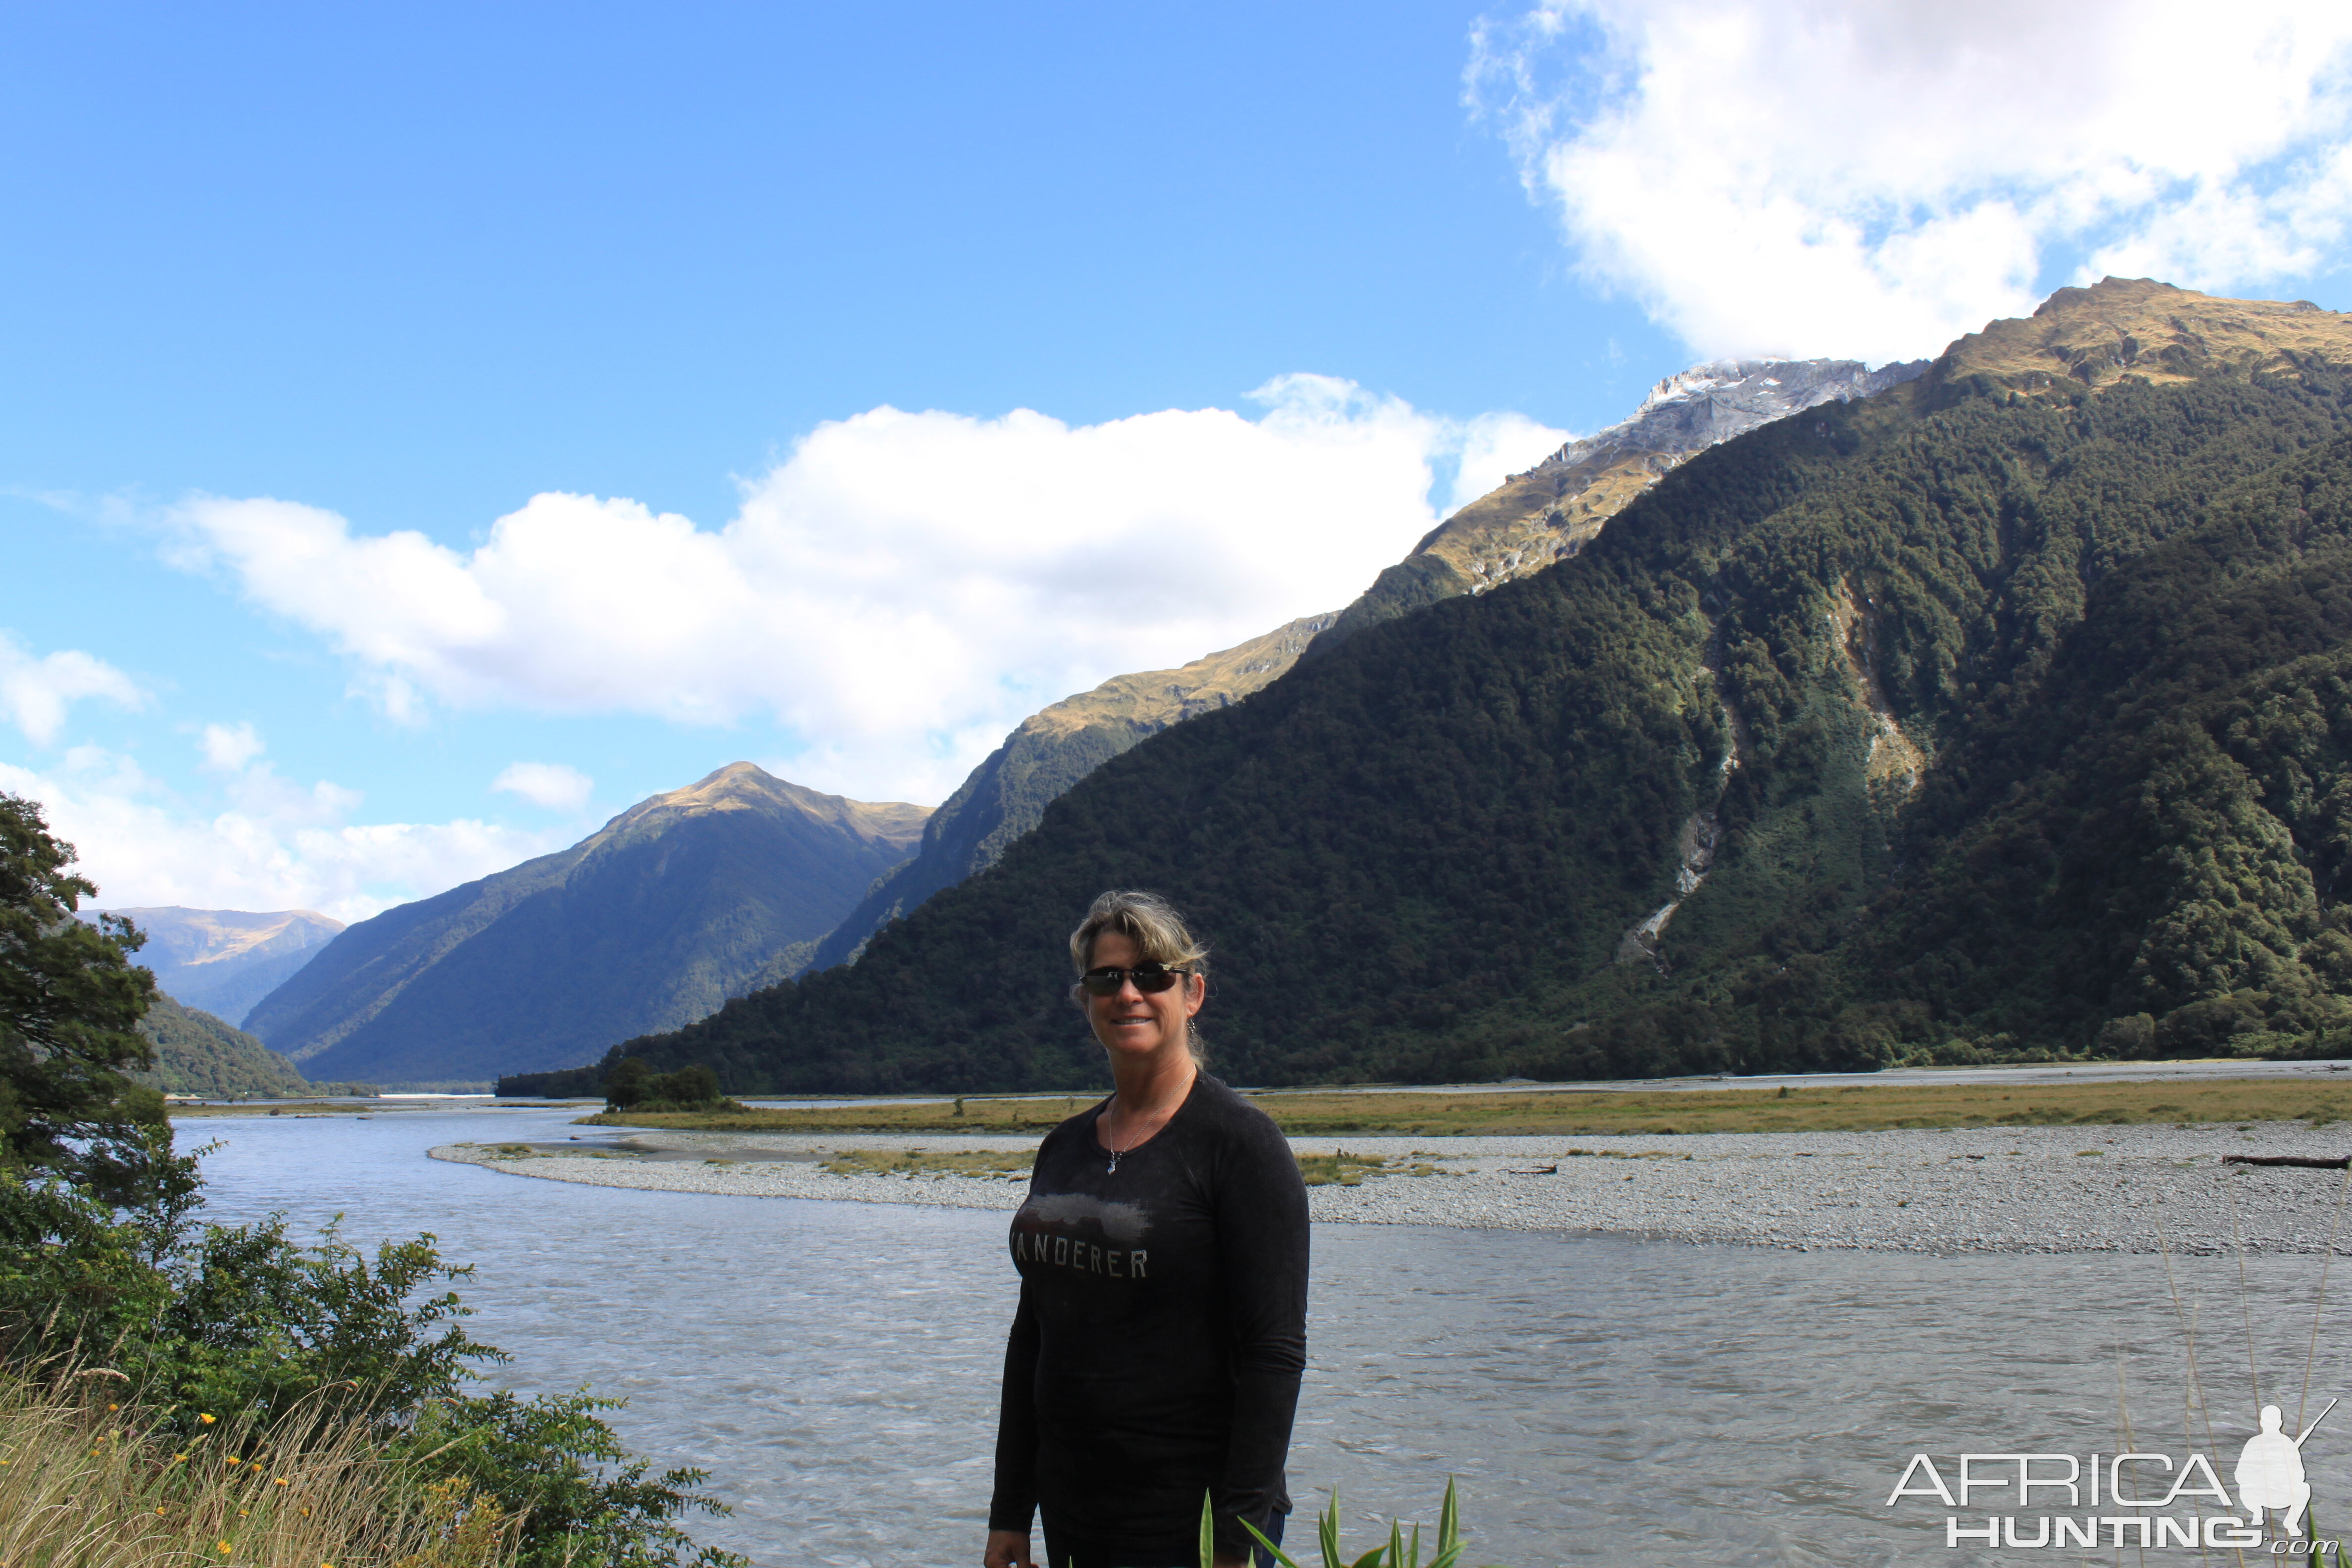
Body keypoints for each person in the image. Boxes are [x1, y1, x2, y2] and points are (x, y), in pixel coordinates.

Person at [985, 890, 1309, 1568]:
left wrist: (1237, 1543)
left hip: (1190, 1521)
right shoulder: (1064, 1148)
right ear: (1085, 1000)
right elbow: (1032, 1337)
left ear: (1192, 993)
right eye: (1107, 978)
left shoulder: (1241, 1146)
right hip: (1075, 1512)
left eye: (1152, 976)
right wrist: (1011, 1510)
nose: (1128, 993)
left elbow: (1273, 1354)